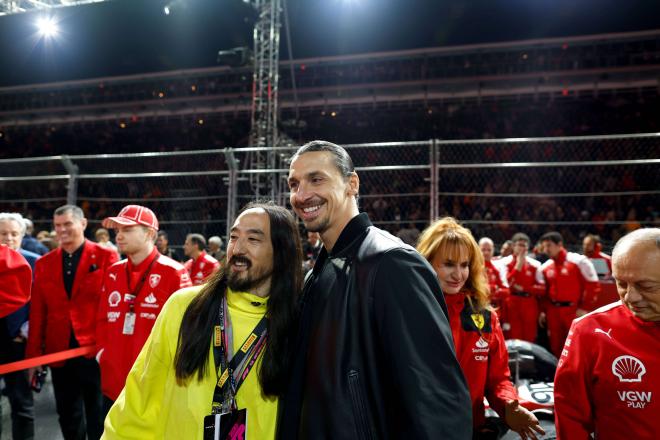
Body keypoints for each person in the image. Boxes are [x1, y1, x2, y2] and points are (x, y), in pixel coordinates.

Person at [279, 140, 472, 439]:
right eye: (294, 184)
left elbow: (437, 400)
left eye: (316, 179)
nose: (301, 195)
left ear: (351, 183)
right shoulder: (318, 272)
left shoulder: (393, 263)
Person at [103, 202, 303, 440]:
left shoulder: (296, 321)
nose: (237, 249)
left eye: (253, 239)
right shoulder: (185, 306)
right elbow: (141, 394)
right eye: (233, 237)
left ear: (282, 252)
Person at [417, 218, 544, 438]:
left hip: (470, 427)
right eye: (448, 264)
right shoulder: (409, 311)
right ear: (427, 262)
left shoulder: (485, 317)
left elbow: (498, 379)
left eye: (464, 265)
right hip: (420, 428)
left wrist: (508, 407)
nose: (459, 274)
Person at [554, 228, 660, 438]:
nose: (631, 297)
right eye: (621, 284)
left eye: (646, 286)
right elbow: (570, 414)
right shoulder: (590, 330)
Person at [26, 205, 119, 440]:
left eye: (67, 224)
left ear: (83, 224)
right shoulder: (44, 263)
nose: (62, 230)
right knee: (68, 416)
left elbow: (112, 308)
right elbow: (38, 312)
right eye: (57, 225)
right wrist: (33, 357)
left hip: (95, 352)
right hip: (59, 353)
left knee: (99, 416)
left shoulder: (107, 256)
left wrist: (111, 349)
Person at [95, 205, 192, 416]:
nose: (119, 236)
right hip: (113, 384)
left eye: (127, 230)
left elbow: (187, 330)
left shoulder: (174, 273)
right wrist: (103, 354)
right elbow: (103, 319)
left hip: (154, 387)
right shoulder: (113, 272)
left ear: (149, 233)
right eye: (117, 230)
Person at [0, 213, 40, 440]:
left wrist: (30, 328)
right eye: (3, 233)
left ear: (22, 236)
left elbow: (44, 302)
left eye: (14, 234)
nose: (8, 238)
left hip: (21, 343)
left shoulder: (36, 261)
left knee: (22, 404)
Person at [536, 231, 600, 357]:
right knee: (555, 345)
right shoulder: (545, 267)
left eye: (549, 245)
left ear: (559, 244)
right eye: (544, 246)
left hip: (573, 311)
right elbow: (544, 293)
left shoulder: (579, 261)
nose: (546, 249)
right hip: (553, 312)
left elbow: (593, 285)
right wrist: (543, 311)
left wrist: (584, 308)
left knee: (575, 345)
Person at [499, 232, 543, 342]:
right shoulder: (504, 262)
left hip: (529, 303)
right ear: (513, 246)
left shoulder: (535, 264)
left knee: (530, 336)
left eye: (525, 245)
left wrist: (525, 288)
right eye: (519, 245)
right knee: (512, 336)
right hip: (511, 303)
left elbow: (542, 289)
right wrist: (518, 265)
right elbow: (507, 283)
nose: (522, 248)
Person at [479, 237, 510, 326]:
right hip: (477, 309)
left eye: (489, 250)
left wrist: (492, 291)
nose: (486, 252)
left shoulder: (499, 267)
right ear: (478, 249)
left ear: (493, 250)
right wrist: (493, 289)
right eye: (483, 249)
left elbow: (506, 291)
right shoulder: (472, 267)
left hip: (495, 310)